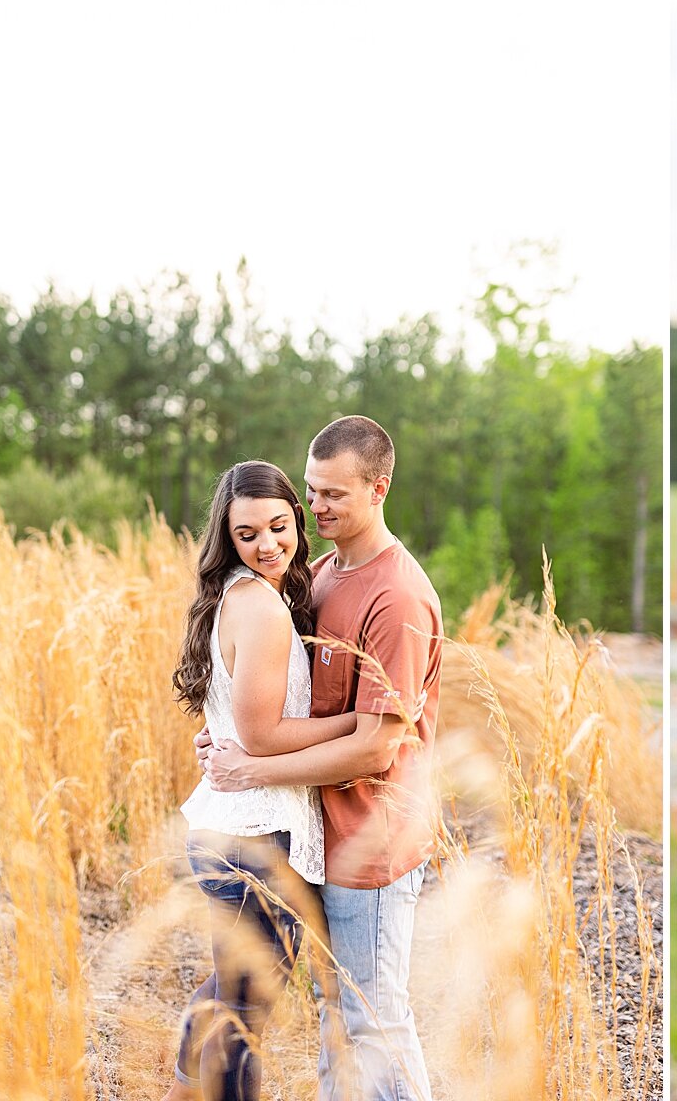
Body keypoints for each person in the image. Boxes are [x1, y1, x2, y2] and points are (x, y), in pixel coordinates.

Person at [199, 415, 442, 1101]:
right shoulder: (324, 572)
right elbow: (284, 700)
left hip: (373, 839)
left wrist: (255, 768)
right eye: (313, 492)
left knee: (374, 1020)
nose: (319, 508)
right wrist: (230, 737)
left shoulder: (398, 597)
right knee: (339, 1020)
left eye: (335, 494)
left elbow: (377, 742)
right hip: (318, 837)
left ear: (379, 489)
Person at [164, 460, 363, 1101]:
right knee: (245, 1019)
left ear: (296, 524)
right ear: (228, 537)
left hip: (233, 825)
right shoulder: (260, 608)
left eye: (278, 527)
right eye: (247, 534)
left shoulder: (247, 594)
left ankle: (177, 1093)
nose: (267, 545)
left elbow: (237, 721)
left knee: (233, 991)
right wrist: (359, 722)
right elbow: (262, 736)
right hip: (253, 836)